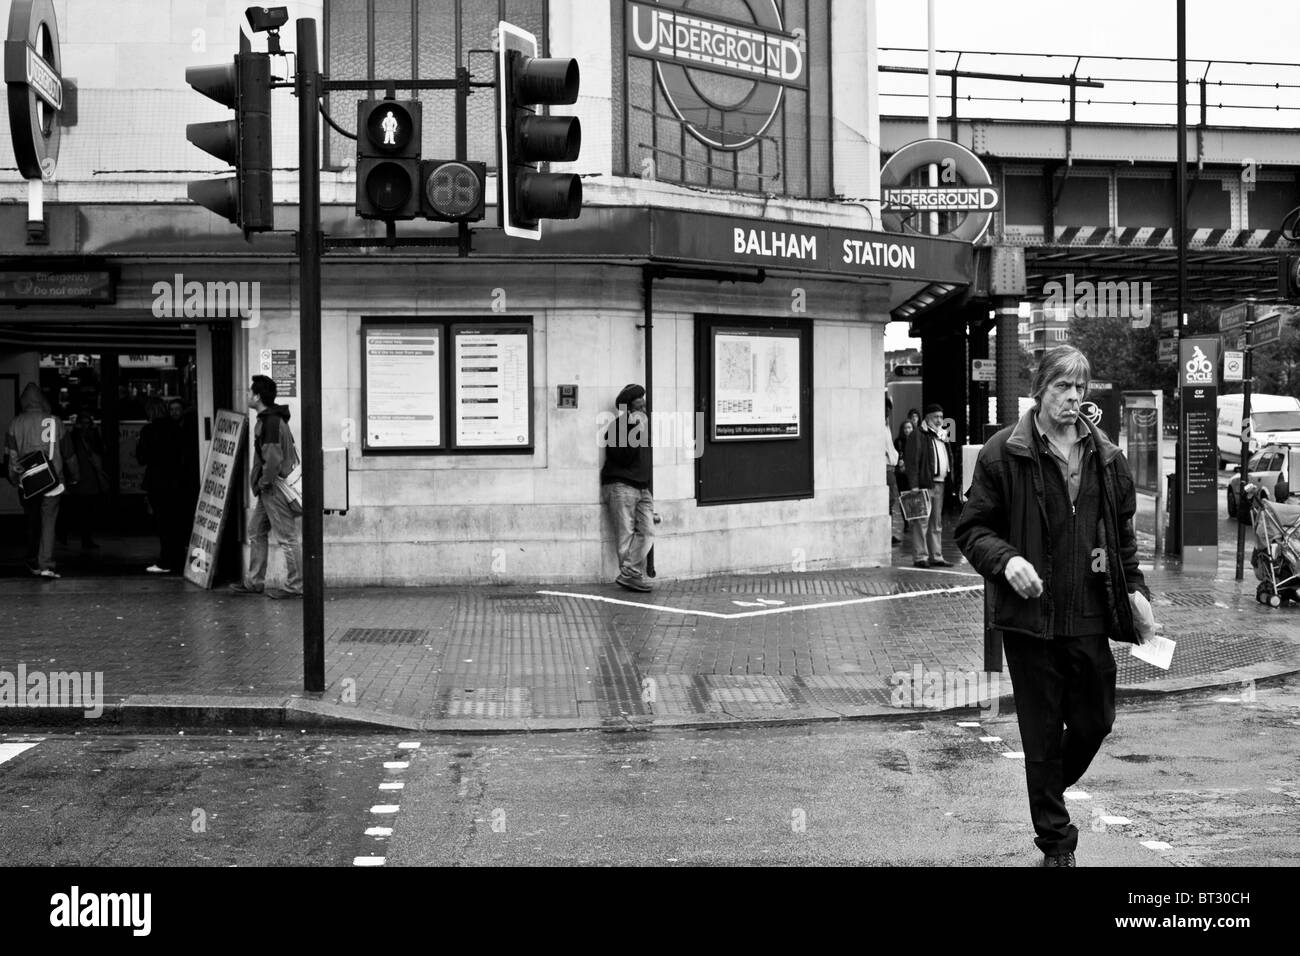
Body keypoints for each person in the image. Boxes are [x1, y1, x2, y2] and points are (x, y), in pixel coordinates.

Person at [955, 346, 1158, 868]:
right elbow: (972, 530)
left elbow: (1123, 541)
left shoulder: (1107, 458)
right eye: (1061, 388)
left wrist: (1136, 592)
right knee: (1041, 732)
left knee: (1095, 721)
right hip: (1030, 623)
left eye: (1079, 388)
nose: (1072, 398)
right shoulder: (1004, 453)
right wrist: (1006, 561)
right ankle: (1056, 843)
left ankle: (1043, 781)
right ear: (1040, 390)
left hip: (1089, 615)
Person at [229, 375, 302, 599]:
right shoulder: (271, 419)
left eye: (251, 392)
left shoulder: (270, 422)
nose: (249, 396)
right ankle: (254, 582)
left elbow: (272, 459)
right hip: (269, 487)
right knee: (255, 531)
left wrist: (263, 483)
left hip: (274, 487)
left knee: (287, 537)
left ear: (258, 396)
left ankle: (295, 586)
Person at [5, 383, 78, 578]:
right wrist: (75, 476)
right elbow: (69, 454)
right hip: (53, 481)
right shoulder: (55, 421)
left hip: (27, 482)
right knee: (49, 522)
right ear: (43, 401)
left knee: (32, 520)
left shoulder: (16, 423)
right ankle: (46, 564)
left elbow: (12, 457)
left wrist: (13, 479)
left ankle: (32, 560)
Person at [600, 384, 654, 592]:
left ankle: (629, 570)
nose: (644, 403)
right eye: (639, 400)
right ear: (630, 407)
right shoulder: (617, 427)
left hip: (642, 487)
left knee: (648, 531)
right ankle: (631, 575)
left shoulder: (643, 426)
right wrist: (636, 430)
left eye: (643, 398)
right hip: (620, 485)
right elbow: (623, 458)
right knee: (626, 533)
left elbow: (644, 461)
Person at [136, 397, 186, 573]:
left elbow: (141, 458)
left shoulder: (148, 430)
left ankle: (166, 560)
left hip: (157, 481)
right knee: (176, 522)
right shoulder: (176, 429)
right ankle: (178, 558)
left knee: (163, 523)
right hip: (177, 481)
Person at [904, 403, 952, 568]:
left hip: (940, 483)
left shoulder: (940, 435)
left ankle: (936, 555)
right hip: (925, 484)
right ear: (927, 417)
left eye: (941, 416)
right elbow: (912, 461)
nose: (939, 420)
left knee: (936, 522)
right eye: (936, 417)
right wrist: (914, 485)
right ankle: (920, 556)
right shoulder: (918, 435)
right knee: (921, 521)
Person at [65, 411, 109, 550]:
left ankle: (84, 537)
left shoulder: (76, 437)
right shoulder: (89, 437)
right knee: (87, 509)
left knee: (84, 509)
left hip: (83, 475)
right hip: (87, 475)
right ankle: (86, 538)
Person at [884, 396, 902, 546]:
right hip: (887, 467)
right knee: (889, 500)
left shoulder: (886, 425)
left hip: (891, 466)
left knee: (891, 500)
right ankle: (887, 533)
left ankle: (888, 532)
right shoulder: (882, 426)